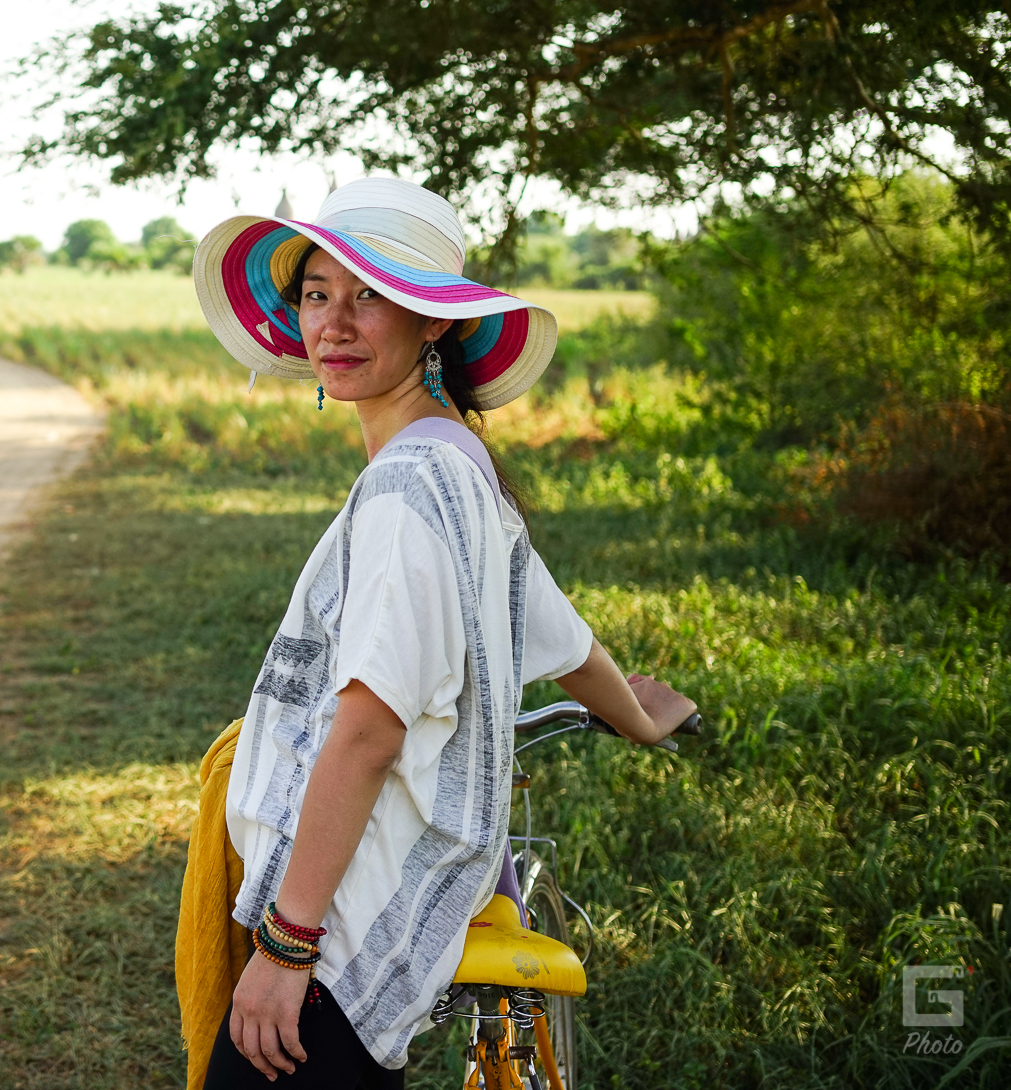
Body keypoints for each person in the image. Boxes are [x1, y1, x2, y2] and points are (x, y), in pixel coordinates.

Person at [186, 178, 697, 1086]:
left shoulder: (409, 487)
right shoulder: (462, 469)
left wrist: (287, 944)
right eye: (317, 294)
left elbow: (371, 730)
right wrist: (641, 714)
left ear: (435, 324)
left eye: (370, 295)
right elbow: (567, 642)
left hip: (341, 928)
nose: (334, 324)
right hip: (379, 904)